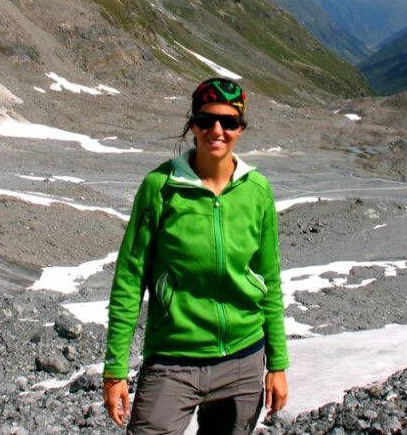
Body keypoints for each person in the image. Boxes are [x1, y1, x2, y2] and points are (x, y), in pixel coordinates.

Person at [103, 78, 289, 434]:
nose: (217, 130)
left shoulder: (257, 191)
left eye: (229, 122)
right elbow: (129, 278)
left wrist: (277, 363)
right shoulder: (160, 186)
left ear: (241, 129)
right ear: (192, 124)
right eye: (206, 120)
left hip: (244, 358)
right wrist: (115, 371)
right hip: (174, 359)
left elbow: (269, 279)